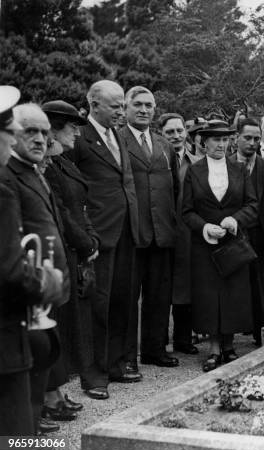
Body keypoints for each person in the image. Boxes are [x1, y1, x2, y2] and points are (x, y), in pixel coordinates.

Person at [0, 86, 64, 444]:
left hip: (35, 302)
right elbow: (9, 261)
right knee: (15, 419)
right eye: (25, 132)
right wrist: (44, 281)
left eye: (45, 132)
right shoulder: (6, 181)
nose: (40, 139)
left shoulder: (31, 172)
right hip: (18, 309)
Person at [70, 80, 140, 399]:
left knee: (122, 300)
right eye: (115, 105)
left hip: (125, 229)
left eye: (122, 105)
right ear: (93, 104)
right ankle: (93, 375)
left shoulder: (117, 136)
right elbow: (71, 187)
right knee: (97, 304)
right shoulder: (80, 138)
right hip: (98, 232)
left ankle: (114, 363)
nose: (120, 111)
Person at [182, 121, 258, 372]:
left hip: (233, 243)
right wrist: (204, 227)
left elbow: (253, 206)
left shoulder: (239, 169)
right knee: (210, 296)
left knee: (233, 294)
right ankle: (214, 349)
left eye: (225, 140)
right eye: (215, 140)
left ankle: (229, 345)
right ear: (204, 142)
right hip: (206, 245)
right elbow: (186, 211)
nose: (221, 145)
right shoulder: (194, 171)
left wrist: (235, 219)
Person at [42, 100, 100, 421]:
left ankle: (55, 393)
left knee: (66, 327)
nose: (77, 133)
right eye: (72, 127)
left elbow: (81, 206)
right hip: (62, 249)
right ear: (54, 127)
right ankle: (50, 396)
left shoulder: (64, 164)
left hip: (75, 250)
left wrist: (90, 241)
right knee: (56, 327)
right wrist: (85, 241)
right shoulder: (46, 168)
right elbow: (62, 214)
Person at [118, 86, 179, 369]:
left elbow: (175, 189)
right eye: (138, 105)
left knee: (159, 294)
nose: (144, 110)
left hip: (162, 231)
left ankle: (155, 349)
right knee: (129, 298)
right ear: (126, 108)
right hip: (132, 232)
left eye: (149, 105)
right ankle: (128, 356)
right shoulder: (117, 140)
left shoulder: (164, 144)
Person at [228, 118, 264, 346]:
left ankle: (258, 332)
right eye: (248, 138)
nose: (252, 143)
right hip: (235, 233)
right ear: (237, 138)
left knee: (259, 284)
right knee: (236, 284)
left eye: (256, 138)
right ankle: (231, 335)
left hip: (261, 233)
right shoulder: (226, 165)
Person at [160, 113, 198, 355]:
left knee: (186, 287)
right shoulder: (157, 158)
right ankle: (158, 341)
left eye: (179, 130)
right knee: (161, 288)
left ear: (186, 132)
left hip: (187, 233)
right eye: (169, 132)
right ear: (161, 134)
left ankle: (184, 339)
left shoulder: (196, 162)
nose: (176, 136)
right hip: (162, 230)